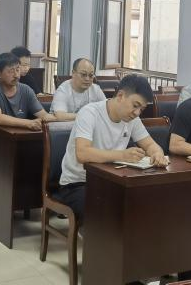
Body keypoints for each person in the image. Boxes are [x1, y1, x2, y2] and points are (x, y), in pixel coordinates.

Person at [57, 74, 168, 223]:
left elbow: (150, 145)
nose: (137, 113)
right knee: (104, 214)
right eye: (135, 105)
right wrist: (122, 155)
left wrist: (157, 154)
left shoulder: (132, 119)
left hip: (113, 181)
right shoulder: (89, 113)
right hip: (78, 184)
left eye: (141, 109)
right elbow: (82, 153)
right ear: (120, 96)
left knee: (148, 204)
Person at [0, 52, 55, 214]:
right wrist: (29, 123)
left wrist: (65, 119)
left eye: (17, 69)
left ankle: (28, 203)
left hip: (15, 145)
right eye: (10, 71)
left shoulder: (26, 90)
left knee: (39, 158)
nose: (16, 75)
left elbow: (44, 116)